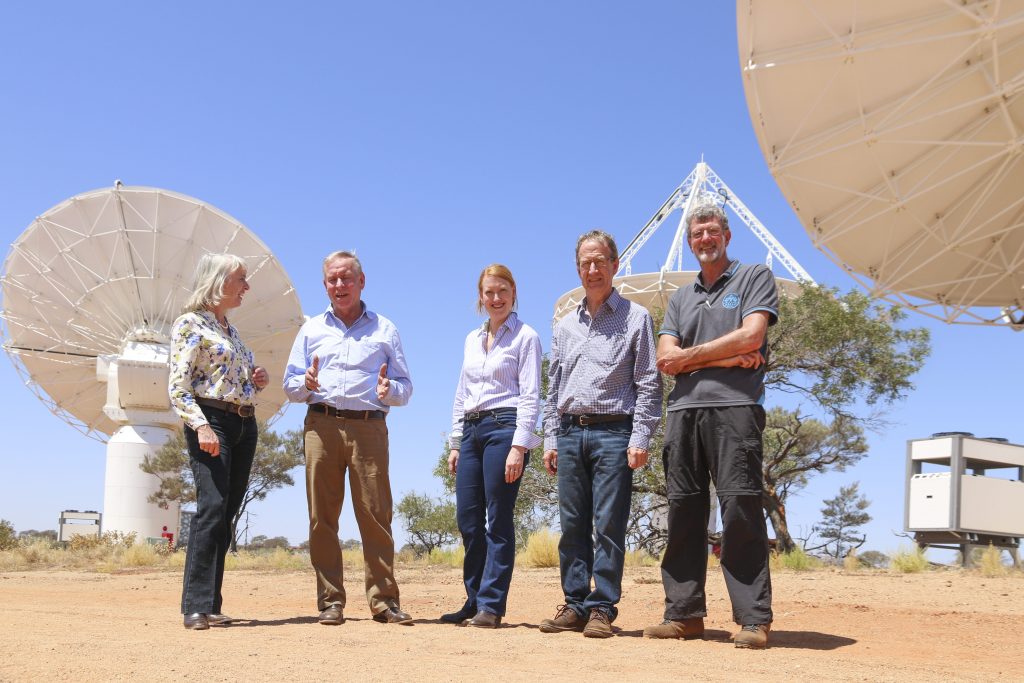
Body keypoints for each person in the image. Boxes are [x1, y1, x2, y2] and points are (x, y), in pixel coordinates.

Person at [643, 200, 778, 649]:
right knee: (684, 510)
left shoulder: (754, 277)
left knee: (740, 508)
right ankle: (684, 614)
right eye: (697, 233)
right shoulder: (681, 297)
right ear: (688, 241)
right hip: (682, 413)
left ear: (727, 236)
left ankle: (754, 618)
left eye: (711, 231)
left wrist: (690, 357)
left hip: (735, 408)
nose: (705, 239)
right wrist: (726, 356)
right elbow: (665, 359)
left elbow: (753, 335)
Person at [539, 230, 662, 638]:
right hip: (571, 431)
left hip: (614, 433)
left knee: (609, 523)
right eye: (585, 263)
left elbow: (648, 381)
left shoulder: (636, 318)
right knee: (572, 524)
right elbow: (553, 385)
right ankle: (575, 603)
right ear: (578, 269)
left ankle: (602, 606)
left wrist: (640, 436)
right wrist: (552, 437)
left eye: (600, 261)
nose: (592, 270)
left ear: (614, 265)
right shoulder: (564, 326)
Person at [283, 250, 414, 626]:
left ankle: (384, 601)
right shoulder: (311, 330)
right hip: (320, 425)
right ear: (325, 285)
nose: (339, 285)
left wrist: (390, 390)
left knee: (375, 515)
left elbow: (406, 388)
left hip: (369, 427)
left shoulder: (385, 329)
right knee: (321, 517)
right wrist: (303, 384)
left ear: (361, 281)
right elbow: (290, 385)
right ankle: (330, 602)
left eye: (346, 278)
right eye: (332, 280)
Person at [169, 253, 269, 631]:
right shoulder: (190, 325)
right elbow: (178, 387)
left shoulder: (231, 330)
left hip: (244, 424)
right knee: (211, 508)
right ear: (219, 281)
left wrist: (255, 378)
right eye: (242, 278)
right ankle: (194, 605)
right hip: (212, 422)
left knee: (226, 514)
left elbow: (228, 376)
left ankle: (212, 604)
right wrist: (201, 427)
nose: (247, 286)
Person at [441, 264, 542, 628]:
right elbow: (460, 393)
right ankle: (473, 600)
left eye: (502, 291)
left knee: (497, 519)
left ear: (514, 293)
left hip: (505, 427)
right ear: (480, 297)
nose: (495, 298)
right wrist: (455, 443)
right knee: (468, 519)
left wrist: (520, 445)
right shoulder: (471, 339)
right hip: (471, 431)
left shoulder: (526, 337)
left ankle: (491, 606)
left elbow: (531, 395)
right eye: (489, 292)